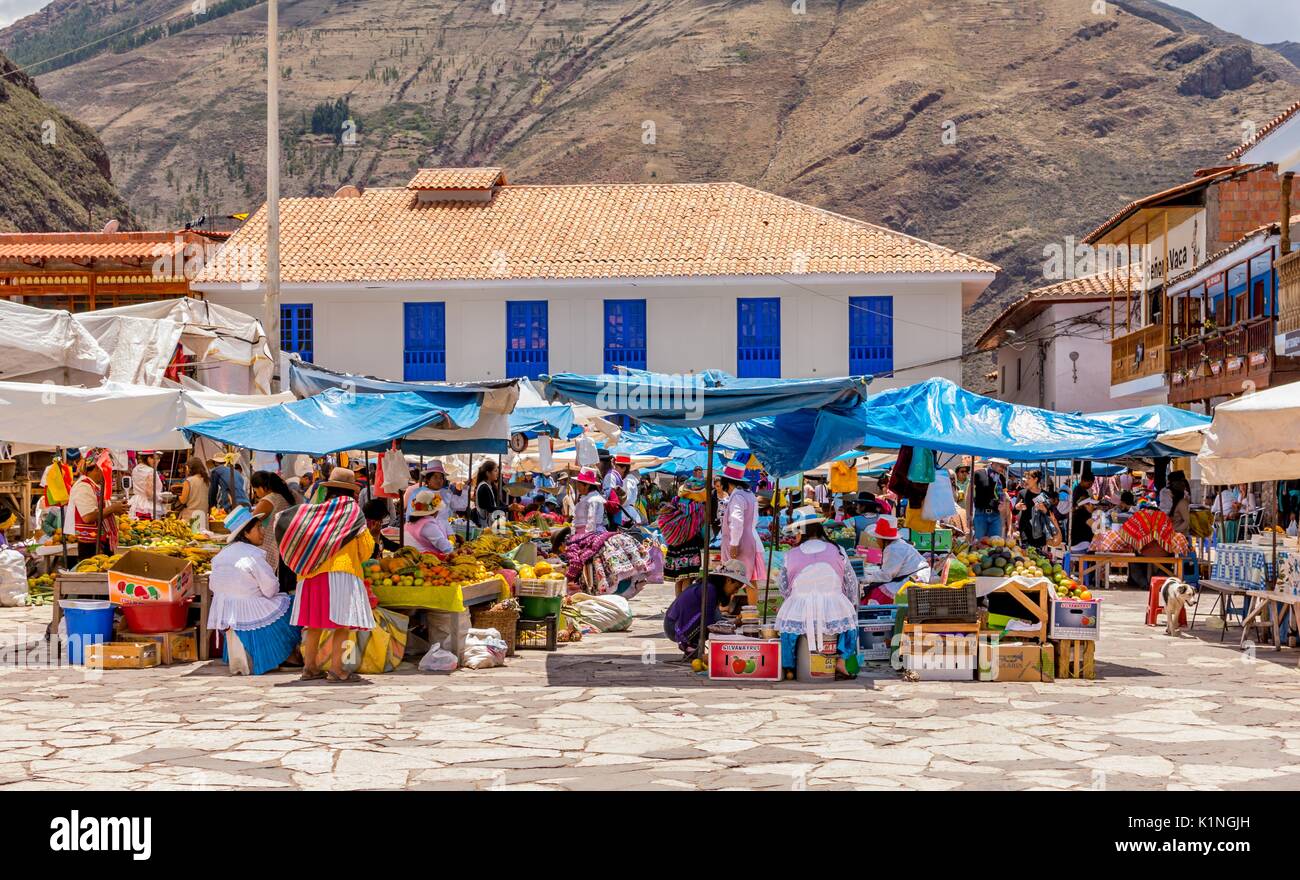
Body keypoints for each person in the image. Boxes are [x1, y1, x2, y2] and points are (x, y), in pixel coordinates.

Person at [276, 467, 375, 683]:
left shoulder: (317, 512)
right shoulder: (352, 512)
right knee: (341, 625)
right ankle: (337, 669)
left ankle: (309, 668)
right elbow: (366, 548)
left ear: (329, 489)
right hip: (342, 572)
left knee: (314, 624)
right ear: (352, 492)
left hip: (310, 574)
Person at [207, 506, 301, 675]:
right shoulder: (252, 555)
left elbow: (213, 586)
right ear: (246, 533)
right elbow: (271, 589)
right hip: (249, 610)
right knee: (294, 604)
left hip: (228, 612)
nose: (263, 531)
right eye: (258, 527)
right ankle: (287, 655)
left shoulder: (220, 556)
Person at [776, 506, 860, 678]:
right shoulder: (838, 550)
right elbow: (851, 583)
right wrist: (850, 603)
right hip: (834, 603)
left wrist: (793, 601)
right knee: (850, 626)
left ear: (801, 532)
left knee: (788, 633)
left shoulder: (790, 555)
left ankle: (790, 666)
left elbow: (784, 587)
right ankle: (841, 661)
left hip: (800, 605)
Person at [662, 559, 749, 660]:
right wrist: (731, 626)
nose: (736, 591)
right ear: (728, 580)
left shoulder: (710, 588)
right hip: (673, 627)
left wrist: (732, 623)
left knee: (717, 619)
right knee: (713, 622)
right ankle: (691, 647)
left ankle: (693, 646)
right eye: (736, 587)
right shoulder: (709, 589)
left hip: (673, 623)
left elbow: (716, 618)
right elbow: (709, 622)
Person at [718, 461, 766, 604]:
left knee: (731, 576)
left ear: (728, 482)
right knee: (750, 578)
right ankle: (752, 612)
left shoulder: (737, 496)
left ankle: (725, 608)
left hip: (740, 542)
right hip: (750, 540)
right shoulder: (749, 494)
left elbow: (737, 521)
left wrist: (734, 543)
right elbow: (753, 520)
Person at [863, 514, 931, 605]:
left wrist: (865, 578)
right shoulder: (896, 544)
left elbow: (886, 576)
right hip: (914, 576)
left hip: (914, 579)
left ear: (883, 539)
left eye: (877, 538)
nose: (876, 540)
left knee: (878, 593)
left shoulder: (893, 549)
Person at [250, 470, 299, 593]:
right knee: (285, 588)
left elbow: (250, 522)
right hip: (289, 545)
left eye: (256, 490)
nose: (256, 494)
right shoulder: (287, 495)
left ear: (262, 487)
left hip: (274, 547)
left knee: (275, 587)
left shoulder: (269, 500)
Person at [68, 451, 124, 558]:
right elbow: (88, 517)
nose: (107, 474)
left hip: (98, 541)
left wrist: (115, 509)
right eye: (106, 470)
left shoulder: (93, 486)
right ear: (98, 469)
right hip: (91, 544)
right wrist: (112, 508)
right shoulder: (83, 487)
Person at [658, 478, 708, 589]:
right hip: (690, 546)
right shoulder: (698, 508)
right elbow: (703, 529)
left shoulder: (674, 503)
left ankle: (678, 603)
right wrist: (706, 541)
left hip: (674, 546)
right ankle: (685, 604)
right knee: (688, 578)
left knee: (679, 579)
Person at [404, 489, 453, 553]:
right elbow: (446, 547)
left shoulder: (409, 523)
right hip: (425, 560)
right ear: (435, 511)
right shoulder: (428, 525)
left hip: (411, 558)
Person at [971, 458, 1009, 540]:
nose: (1002, 469)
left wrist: (1003, 514)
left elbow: (1004, 495)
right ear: (994, 463)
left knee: (995, 546)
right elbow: (969, 495)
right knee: (979, 544)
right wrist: (968, 516)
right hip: (980, 514)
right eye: (1001, 466)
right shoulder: (978, 473)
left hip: (996, 515)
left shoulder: (1001, 477)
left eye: (1004, 467)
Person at [127, 451, 165, 520]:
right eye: (157, 458)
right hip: (148, 506)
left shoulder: (135, 469)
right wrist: (161, 498)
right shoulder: (151, 471)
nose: (158, 461)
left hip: (136, 502)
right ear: (149, 458)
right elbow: (149, 493)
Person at [571, 467, 608, 535]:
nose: (578, 488)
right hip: (580, 532)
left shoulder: (593, 499)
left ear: (587, 485)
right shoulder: (586, 497)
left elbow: (591, 520)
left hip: (590, 533)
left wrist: (587, 536)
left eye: (579, 485)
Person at [175, 458, 209, 524]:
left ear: (189, 468)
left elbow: (183, 500)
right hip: (203, 518)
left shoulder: (189, 481)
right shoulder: (206, 480)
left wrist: (178, 493)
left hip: (191, 518)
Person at [472, 460, 502, 526]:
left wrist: (509, 507)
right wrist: (509, 508)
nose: (497, 473)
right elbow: (490, 508)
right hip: (485, 525)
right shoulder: (484, 487)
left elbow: (498, 503)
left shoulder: (490, 486)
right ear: (488, 473)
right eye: (495, 471)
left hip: (491, 523)